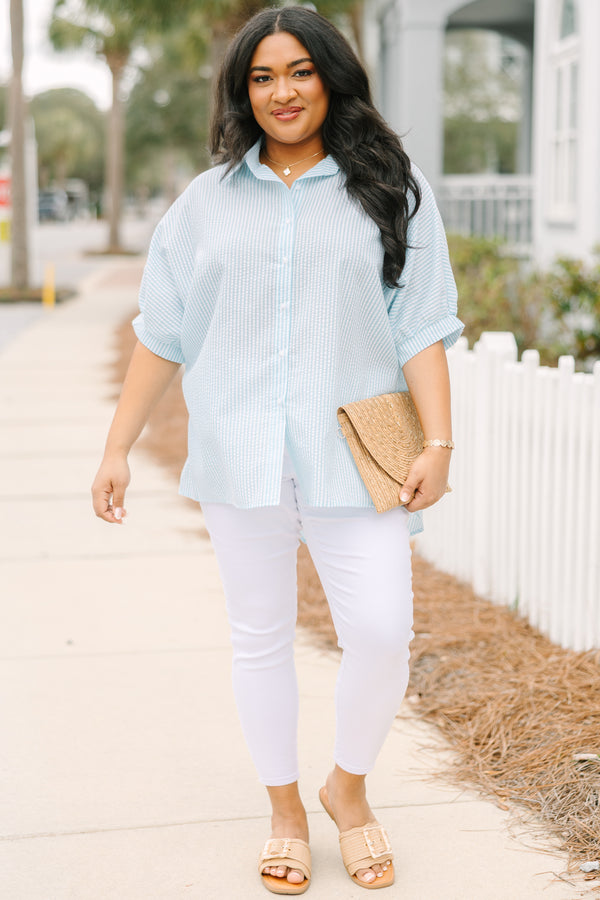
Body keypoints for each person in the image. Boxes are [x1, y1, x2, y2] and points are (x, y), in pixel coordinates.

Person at [92, 6, 463, 894]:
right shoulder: (206, 205)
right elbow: (161, 334)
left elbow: (423, 327)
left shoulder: (389, 188)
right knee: (259, 638)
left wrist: (440, 441)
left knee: (381, 632)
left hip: (356, 455)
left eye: (298, 71)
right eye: (261, 77)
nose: (282, 91)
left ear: (330, 77)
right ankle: (286, 809)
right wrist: (116, 447)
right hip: (240, 453)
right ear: (240, 91)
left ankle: (348, 789)